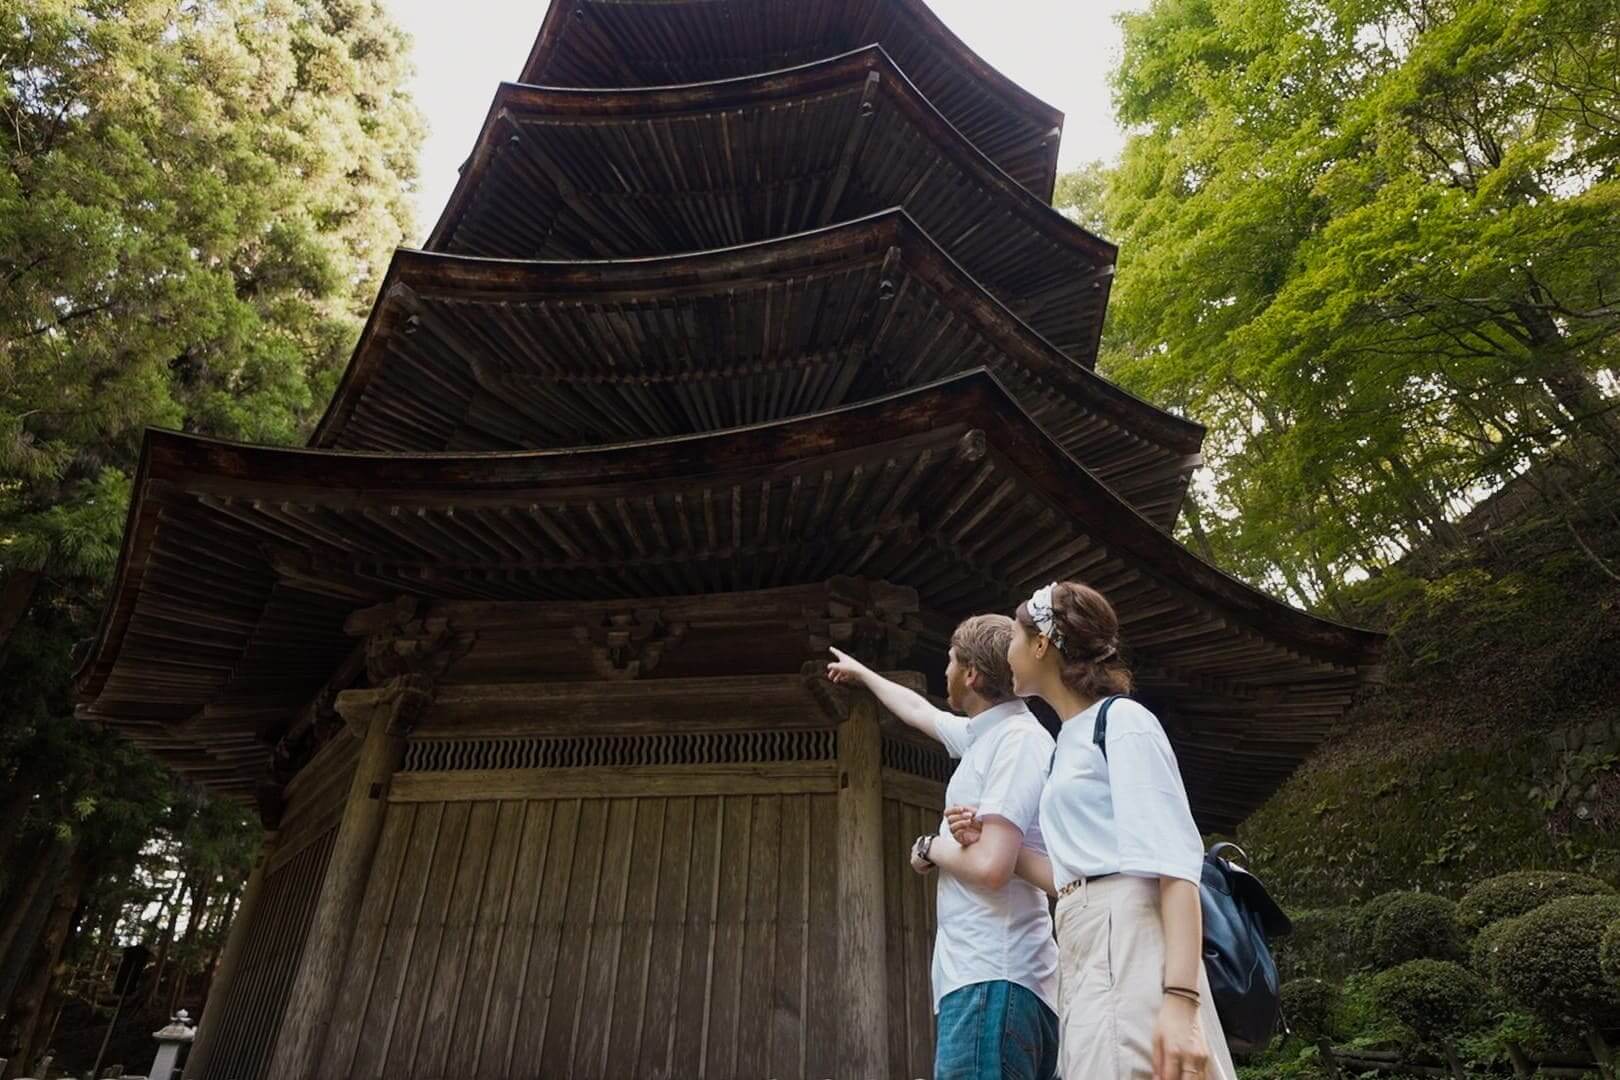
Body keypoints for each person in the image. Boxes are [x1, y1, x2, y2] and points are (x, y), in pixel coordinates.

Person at [946, 582, 1236, 1080]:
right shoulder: (1064, 745)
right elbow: (1066, 875)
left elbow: (1176, 865)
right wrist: (990, 842)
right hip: (1080, 941)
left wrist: (1182, 1001)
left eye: (1014, 637)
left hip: (1131, 938)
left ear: (1041, 644)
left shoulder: (1121, 721)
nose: (1007, 652)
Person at [826, 615, 1059, 1080]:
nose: (945, 671)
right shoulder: (986, 734)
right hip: (981, 976)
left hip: (995, 972)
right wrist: (864, 673)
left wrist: (931, 846)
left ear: (971, 674)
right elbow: (919, 712)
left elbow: (993, 866)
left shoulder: (1018, 741)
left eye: (951, 661)